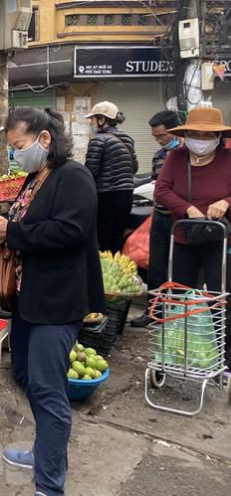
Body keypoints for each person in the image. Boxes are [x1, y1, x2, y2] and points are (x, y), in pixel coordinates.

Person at [0, 107, 105, 496]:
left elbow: (70, 230)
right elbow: (27, 223)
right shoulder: (37, 177)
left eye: (19, 146)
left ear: (44, 139)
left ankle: (49, 485)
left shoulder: (74, 176)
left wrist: (13, 232)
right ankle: (42, 453)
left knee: (49, 390)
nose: (16, 154)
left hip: (58, 300)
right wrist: (3, 227)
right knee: (28, 379)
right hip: (29, 298)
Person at [154, 105, 231, 367]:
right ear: (186, 134)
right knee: (179, 297)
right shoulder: (175, 158)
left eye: (208, 135)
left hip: (220, 241)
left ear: (219, 137)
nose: (201, 140)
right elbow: (162, 190)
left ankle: (224, 357)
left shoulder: (228, 159)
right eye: (196, 134)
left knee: (220, 299)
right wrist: (186, 208)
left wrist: (226, 202)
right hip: (185, 237)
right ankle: (176, 352)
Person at [131, 110, 183, 327]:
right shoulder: (159, 156)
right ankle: (154, 311)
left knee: (180, 268)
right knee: (156, 266)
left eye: (162, 136)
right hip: (160, 216)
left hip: (181, 219)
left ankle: (178, 314)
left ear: (175, 130)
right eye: (155, 137)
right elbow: (156, 186)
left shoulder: (186, 153)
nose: (159, 141)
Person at [85, 101, 139, 253]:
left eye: (93, 119)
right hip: (127, 194)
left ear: (102, 119)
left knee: (102, 240)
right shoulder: (127, 138)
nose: (91, 122)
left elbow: (90, 170)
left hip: (106, 195)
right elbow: (134, 168)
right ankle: (117, 268)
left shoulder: (98, 139)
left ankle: (102, 273)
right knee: (117, 238)